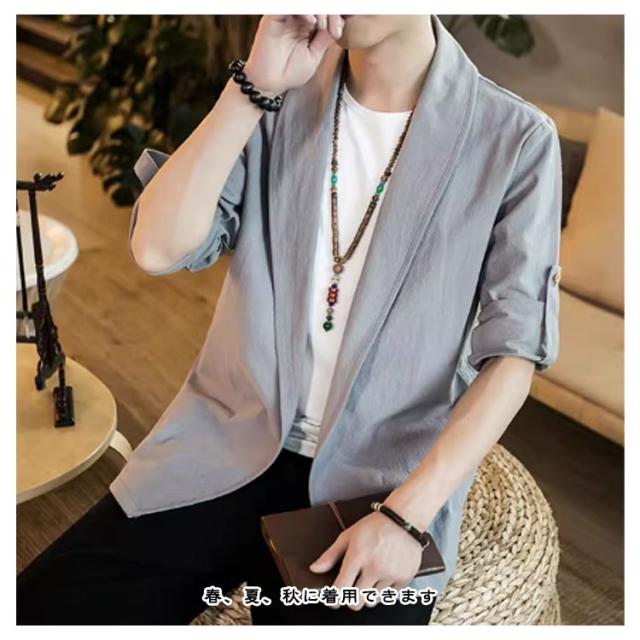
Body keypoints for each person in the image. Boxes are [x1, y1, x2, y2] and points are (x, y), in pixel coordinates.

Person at [17, 14, 562, 625]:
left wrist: (406, 516)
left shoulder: (514, 139)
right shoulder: (276, 96)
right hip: (225, 445)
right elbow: (157, 249)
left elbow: (514, 356)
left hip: (375, 488)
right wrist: (250, 88)